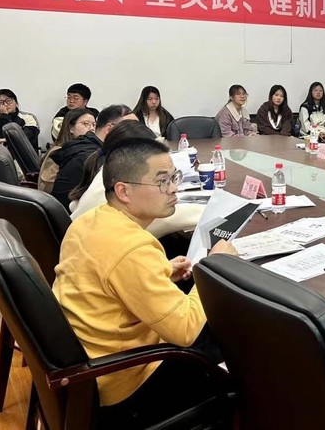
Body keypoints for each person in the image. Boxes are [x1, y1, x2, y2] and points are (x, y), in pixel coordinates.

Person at [52, 136, 237, 425]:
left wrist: (161, 271)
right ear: (123, 191)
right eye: (162, 181)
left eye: (173, 178)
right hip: (125, 380)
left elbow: (109, 278)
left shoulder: (89, 221)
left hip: (89, 362)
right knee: (241, 341)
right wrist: (215, 266)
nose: (173, 188)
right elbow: (185, 331)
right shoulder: (133, 248)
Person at [68, 119, 206, 237]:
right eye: (162, 181)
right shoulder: (115, 189)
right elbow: (170, 218)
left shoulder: (105, 171)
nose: (173, 188)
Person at [51, 104, 136, 210]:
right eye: (130, 128)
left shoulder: (85, 146)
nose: (136, 132)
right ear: (109, 129)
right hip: (72, 216)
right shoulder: (93, 156)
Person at [38, 109, 96, 193]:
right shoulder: (58, 152)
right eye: (85, 124)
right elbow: (47, 187)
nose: (91, 129)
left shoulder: (92, 150)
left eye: (94, 125)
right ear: (71, 127)